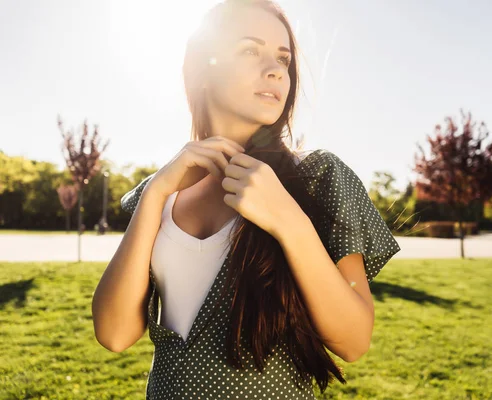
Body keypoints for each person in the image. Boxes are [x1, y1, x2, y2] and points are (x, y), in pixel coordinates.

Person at [92, 0, 401, 398]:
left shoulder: (319, 177)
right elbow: (115, 334)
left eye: (283, 59)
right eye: (250, 50)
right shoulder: (161, 190)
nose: (275, 69)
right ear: (203, 68)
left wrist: (289, 221)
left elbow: (354, 341)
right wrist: (155, 196)